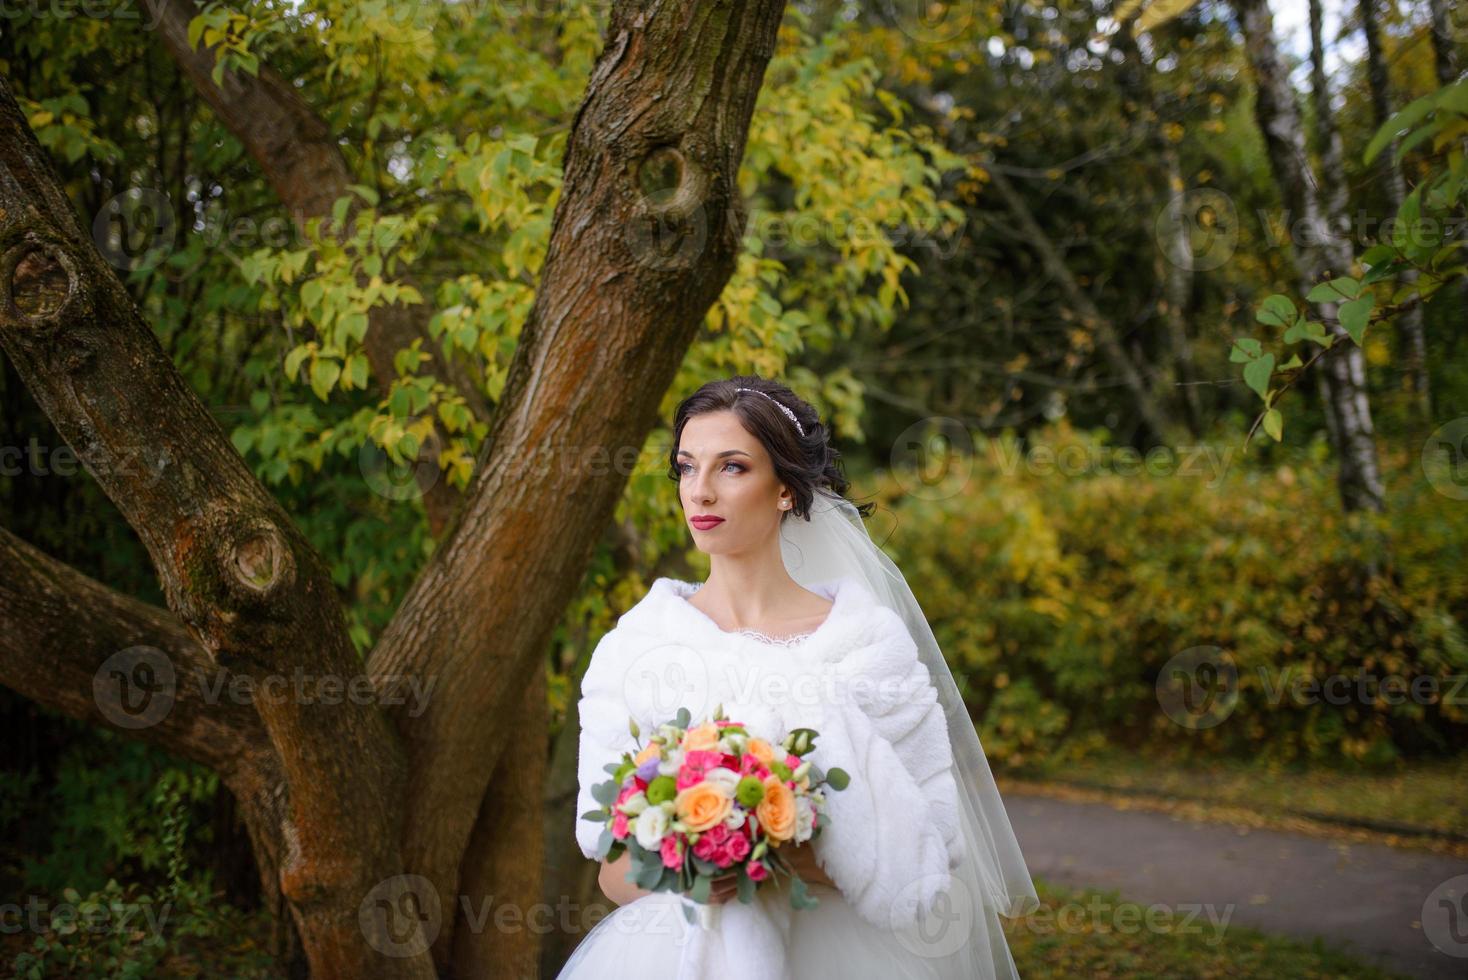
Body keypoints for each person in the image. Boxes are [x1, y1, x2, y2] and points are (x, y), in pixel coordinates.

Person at [557, 376, 1035, 980]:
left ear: (785, 489)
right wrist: (700, 861)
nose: (699, 492)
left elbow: (933, 848)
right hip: (672, 955)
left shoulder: (868, 644)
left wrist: (767, 856)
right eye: (686, 467)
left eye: (731, 467)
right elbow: (612, 867)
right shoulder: (635, 650)